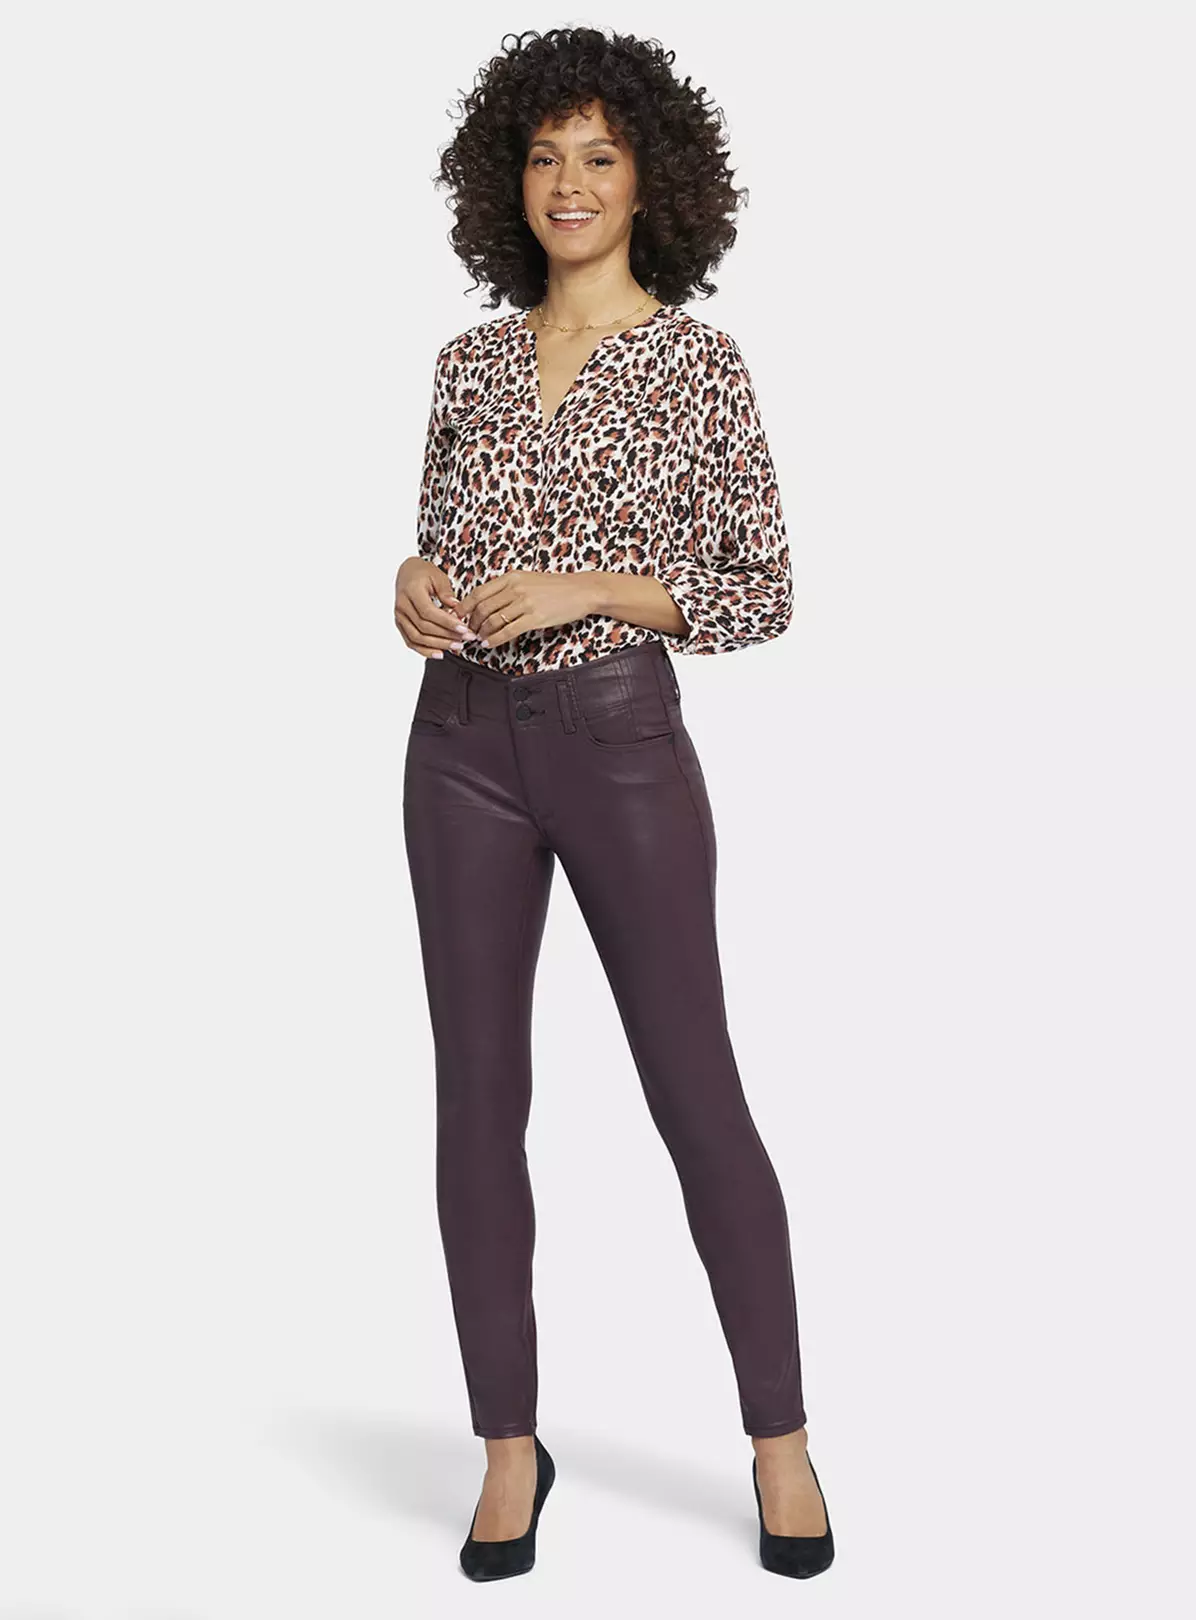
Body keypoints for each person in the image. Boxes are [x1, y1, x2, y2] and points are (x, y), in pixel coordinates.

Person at [393, 26, 834, 1582]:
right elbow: (440, 546)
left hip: (618, 739)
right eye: (543, 155)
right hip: (456, 747)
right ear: (506, 179)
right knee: (476, 1099)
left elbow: (762, 590)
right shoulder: (466, 365)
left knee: (693, 1089)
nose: (568, 183)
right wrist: (413, 583)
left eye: (599, 154)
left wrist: (596, 585)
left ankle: (780, 1439)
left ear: (652, 180)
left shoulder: (700, 365)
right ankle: (509, 1448)